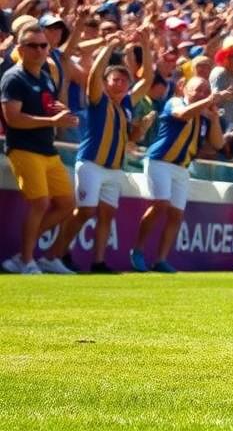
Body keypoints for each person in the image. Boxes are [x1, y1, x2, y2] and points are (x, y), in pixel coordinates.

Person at [44, 34, 153, 273]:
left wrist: (144, 47)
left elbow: (147, 80)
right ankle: (53, 255)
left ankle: (98, 261)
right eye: (115, 80)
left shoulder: (125, 105)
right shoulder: (98, 98)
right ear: (106, 82)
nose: (121, 84)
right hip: (92, 164)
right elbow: (94, 75)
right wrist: (109, 46)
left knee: (107, 215)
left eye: (124, 81)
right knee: (84, 211)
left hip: (113, 169)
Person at [0, 22, 78, 273]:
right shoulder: (13, 78)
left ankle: (37, 256)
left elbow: (49, 104)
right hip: (23, 148)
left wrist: (61, 111)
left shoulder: (45, 75)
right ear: (21, 49)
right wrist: (53, 121)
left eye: (43, 45)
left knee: (67, 203)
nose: (40, 50)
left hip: (47, 149)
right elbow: (13, 118)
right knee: (41, 203)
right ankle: (25, 259)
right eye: (33, 46)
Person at [130, 76, 225, 273]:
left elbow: (218, 144)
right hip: (160, 162)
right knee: (161, 205)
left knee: (176, 214)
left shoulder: (204, 115)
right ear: (184, 89)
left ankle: (161, 259)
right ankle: (137, 250)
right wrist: (208, 102)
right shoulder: (175, 102)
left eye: (206, 91)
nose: (202, 94)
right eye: (197, 89)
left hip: (182, 168)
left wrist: (215, 118)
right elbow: (182, 115)